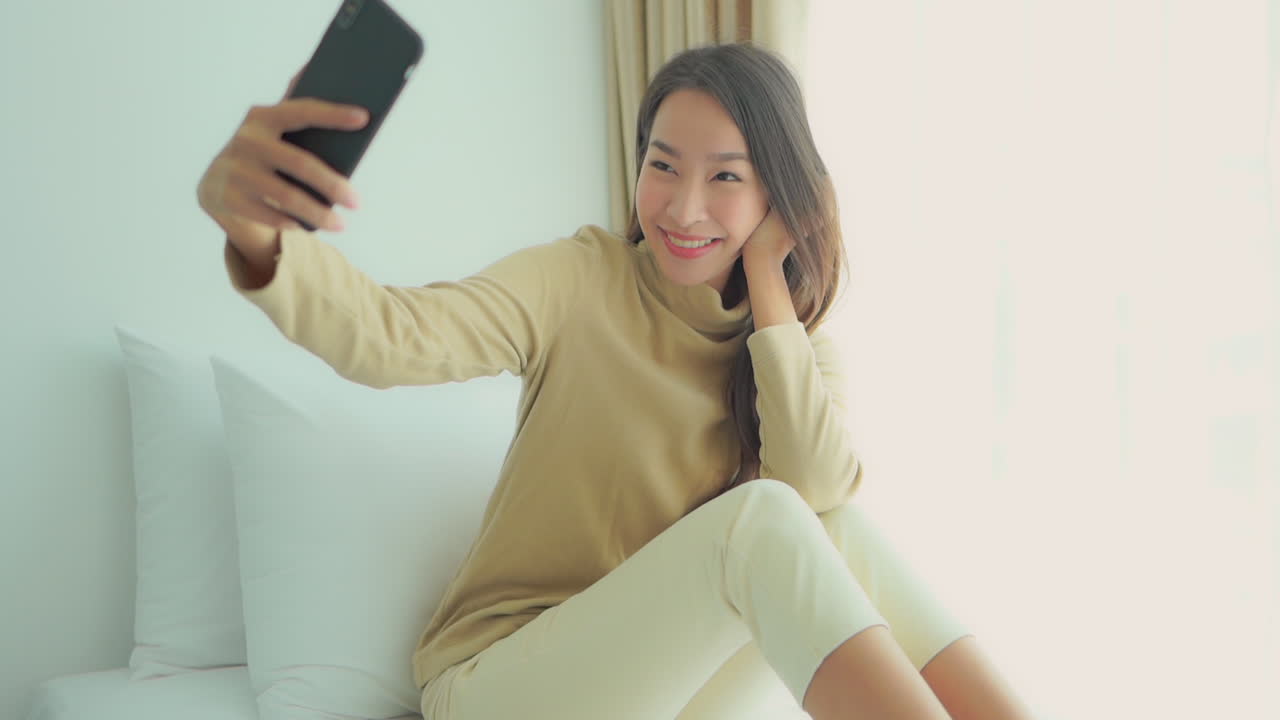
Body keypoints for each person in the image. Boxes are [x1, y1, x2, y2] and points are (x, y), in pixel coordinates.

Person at [197, 42, 1036, 720]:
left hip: (657, 698)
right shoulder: (580, 280)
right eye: (663, 166)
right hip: (497, 692)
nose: (681, 207)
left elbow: (817, 489)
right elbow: (392, 338)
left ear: (781, 197)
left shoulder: (796, 352)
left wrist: (771, 287)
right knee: (769, 520)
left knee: (833, 525)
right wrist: (263, 240)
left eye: (727, 177)